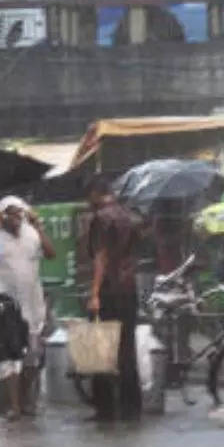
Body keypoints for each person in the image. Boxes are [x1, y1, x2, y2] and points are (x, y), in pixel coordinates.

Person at [0, 196, 56, 419]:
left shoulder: (31, 233)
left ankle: (26, 398)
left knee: (33, 354)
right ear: (2, 216)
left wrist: (38, 227)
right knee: (8, 356)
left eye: (20, 213)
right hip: (6, 305)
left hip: (33, 303)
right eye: (12, 213)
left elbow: (50, 253)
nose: (17, 217)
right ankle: (14, 406)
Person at [86, 178, 142, 421]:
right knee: (127, 349)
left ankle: (106, 407)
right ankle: (131, 406)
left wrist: (94, 293)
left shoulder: (101, 218)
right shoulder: (129, 216)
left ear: (96, 193)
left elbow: (101, 257)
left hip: (109, 289)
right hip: (129, 288)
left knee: (103, 349)